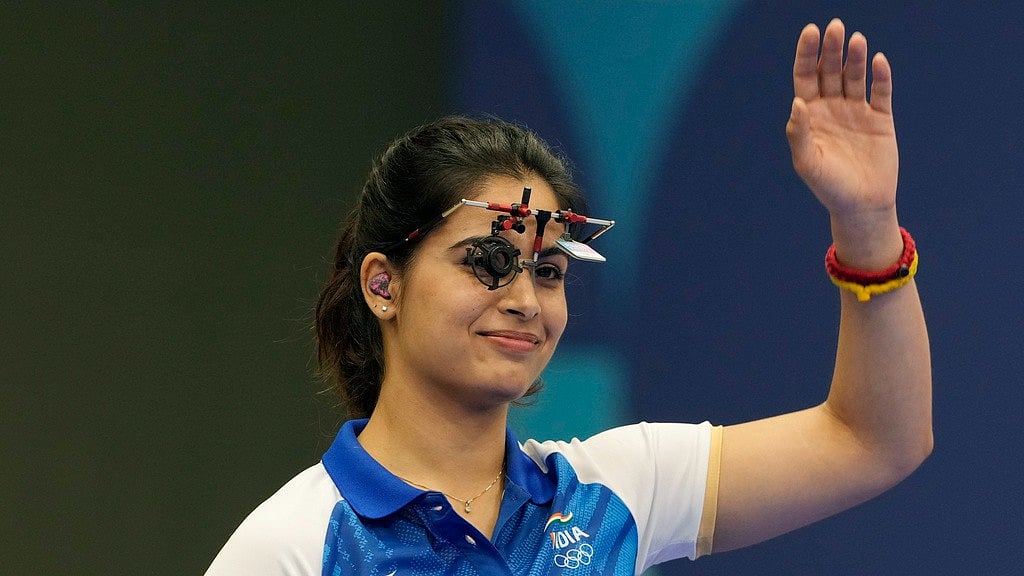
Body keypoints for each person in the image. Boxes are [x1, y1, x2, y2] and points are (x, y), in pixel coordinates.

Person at [206, 18, 931, 575]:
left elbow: (873, 441)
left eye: (549, 270)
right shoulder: (293, 545)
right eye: (489, 260)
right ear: (383, 284)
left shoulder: (614, 492)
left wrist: (867, 223)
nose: (526, 298)